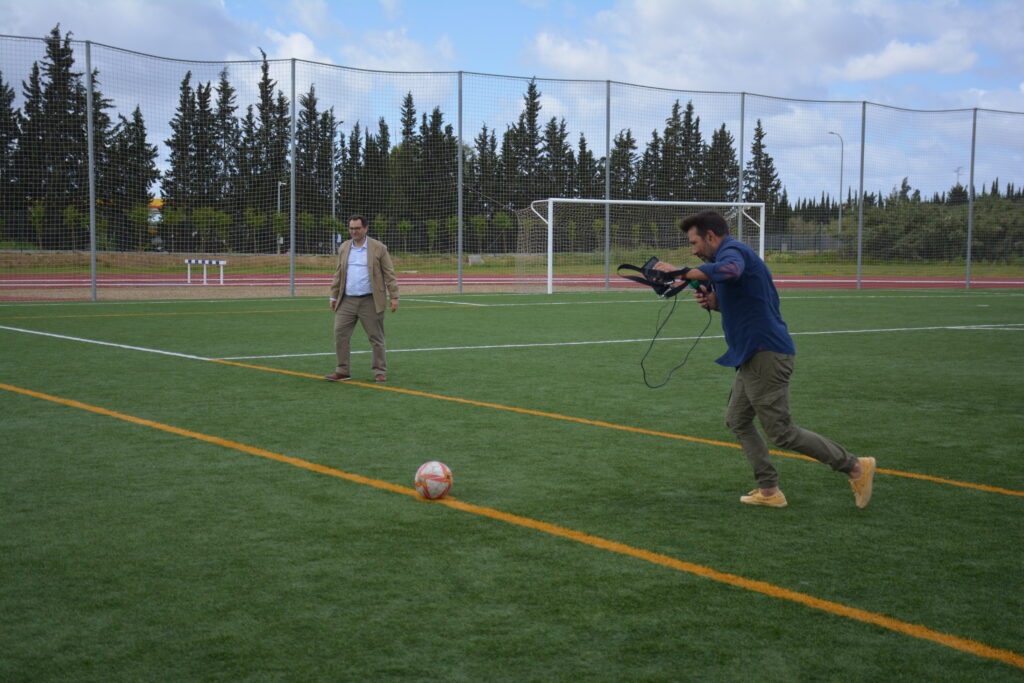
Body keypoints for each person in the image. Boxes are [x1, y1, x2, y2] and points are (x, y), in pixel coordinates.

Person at [655, 210, 875, 508]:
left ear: (711, 236)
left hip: (766, 354)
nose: (693, 250)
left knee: (782, 433)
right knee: (737, 420)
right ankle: (769, 490)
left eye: (695, 242)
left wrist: (680, 272)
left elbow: (730, 270)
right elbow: (739, 296)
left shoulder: (733, 251)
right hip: (751, 355)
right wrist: (714, 302)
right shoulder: (725, 258)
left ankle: (855, 466)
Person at [324, 214, 399, 383]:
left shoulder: (379, 248)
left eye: (357, 228)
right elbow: (339, 273)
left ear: (365, 228)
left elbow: (389, 274)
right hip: (347, 301)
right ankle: (342, 371)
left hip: (370, 301)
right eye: (351, 228)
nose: (354, 231)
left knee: (376, 338)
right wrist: (333, 295)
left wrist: (394, 296)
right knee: (340, 335)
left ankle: (379, 371)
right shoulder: (344, 247)